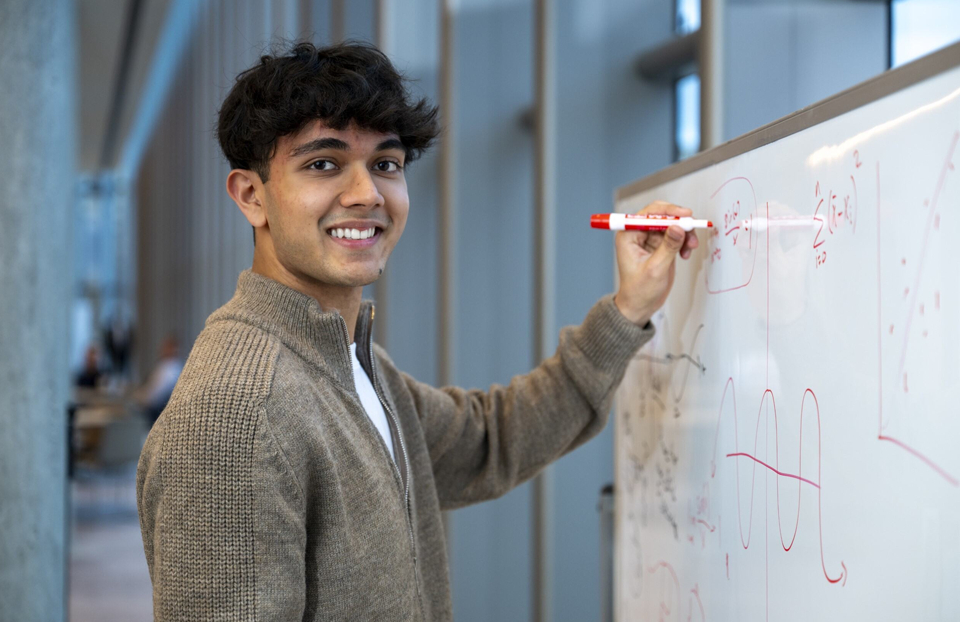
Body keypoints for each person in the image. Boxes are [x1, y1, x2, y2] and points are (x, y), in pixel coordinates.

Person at [136, 41, 698, 621]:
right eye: (323, 164)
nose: (367, 194)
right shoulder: (235, 418)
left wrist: (630, 308)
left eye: (385, 164)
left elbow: (491, 441)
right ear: (252, 196)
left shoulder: (350, 364)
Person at [134, 335, 183, 426]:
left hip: (156, 413)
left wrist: (137, 397)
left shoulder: (169, 369)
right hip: (155, 408)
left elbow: (154, 397)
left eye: (166, 347)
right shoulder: (168, 365)